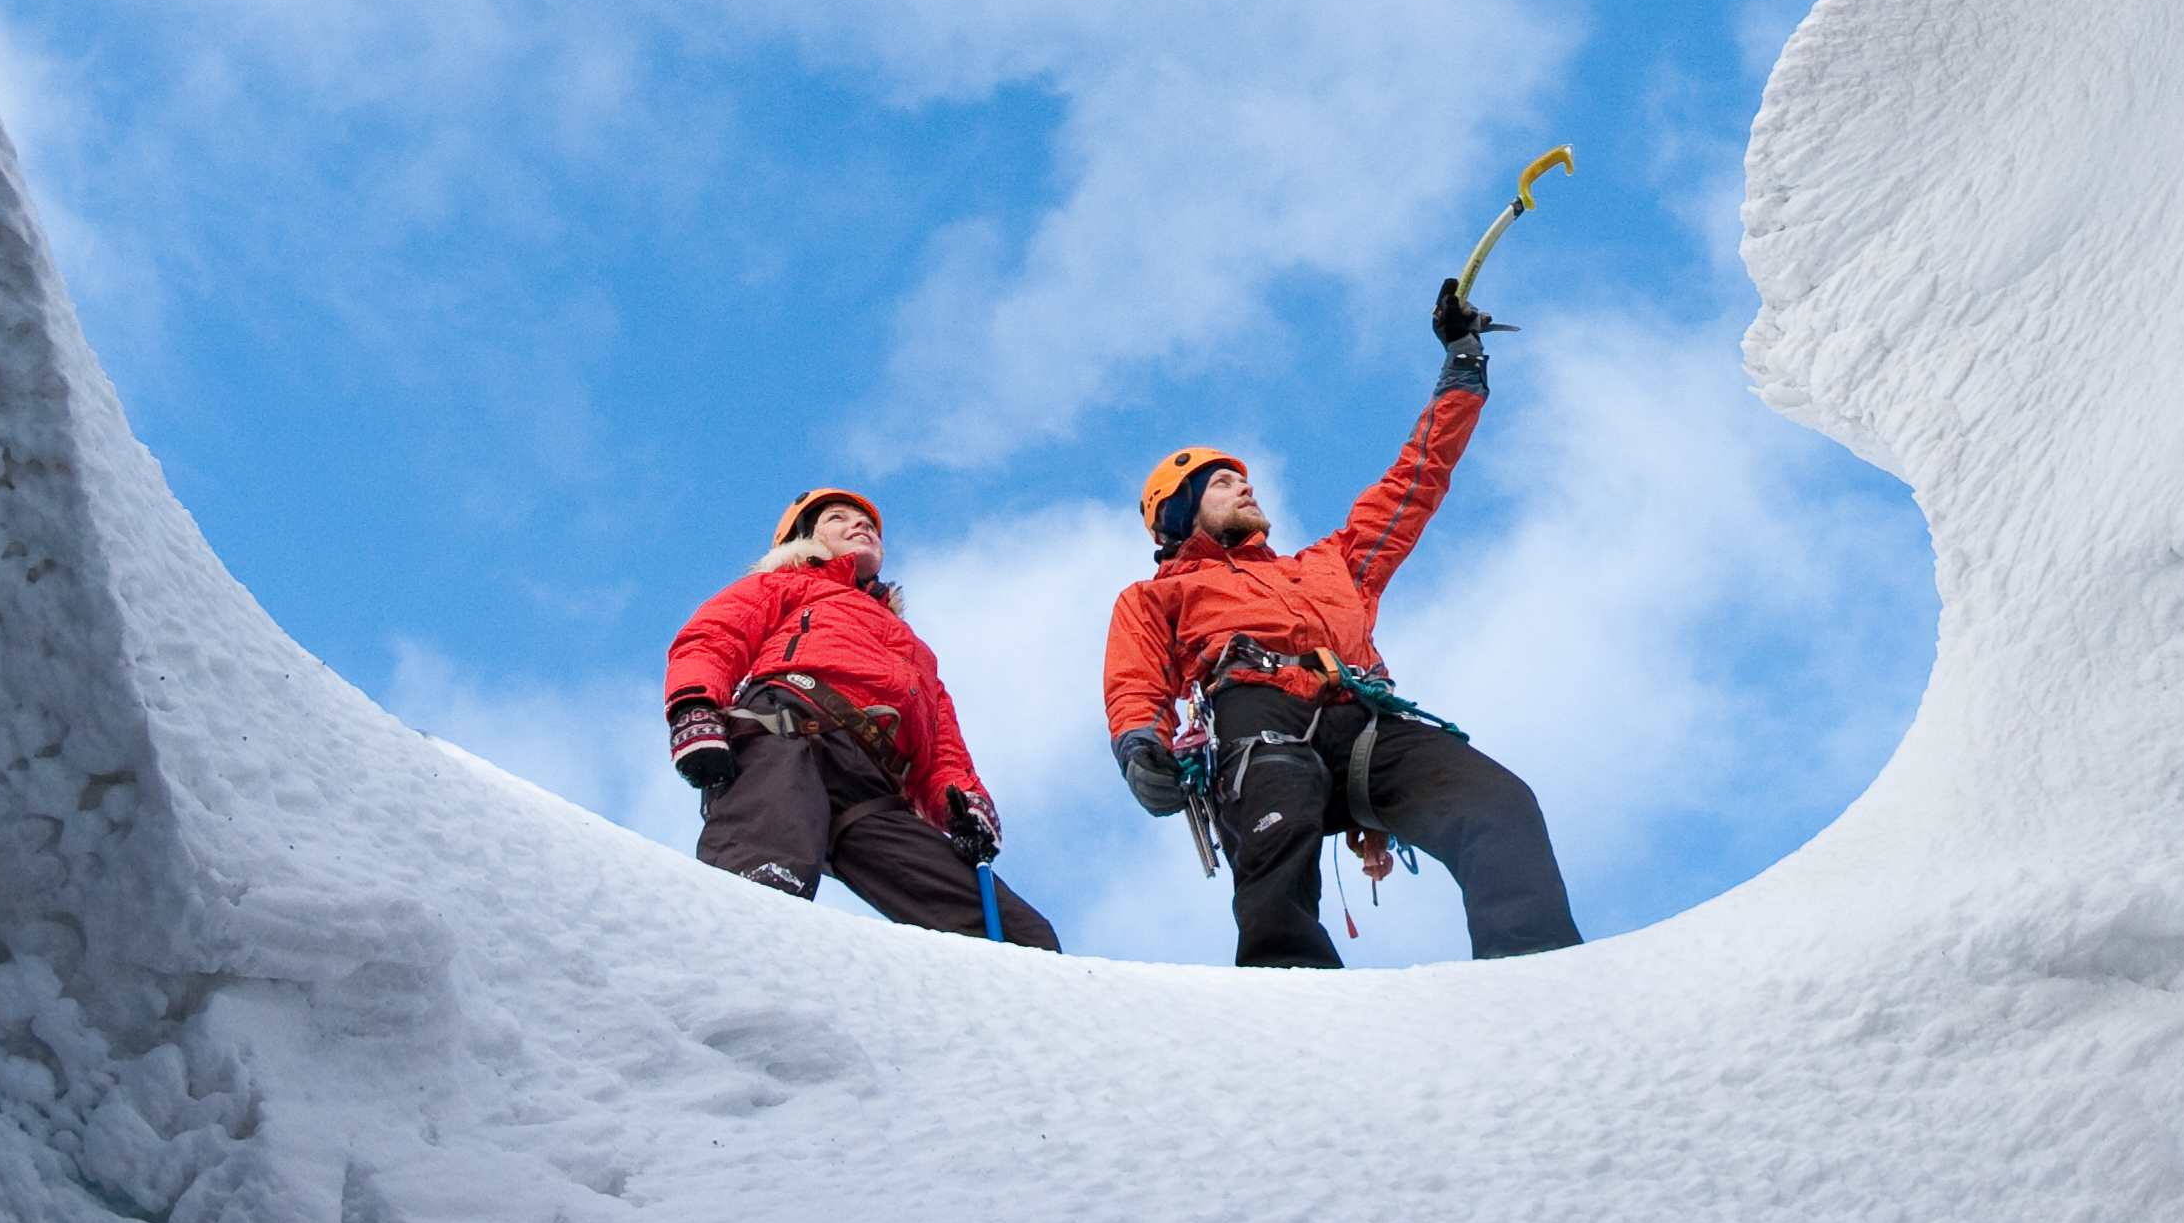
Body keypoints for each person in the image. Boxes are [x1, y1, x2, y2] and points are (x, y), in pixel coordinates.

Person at [1104, 289, 1579, 967]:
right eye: (1219, 484)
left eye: (1243, 479)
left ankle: (1540, 970)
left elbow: (1414, 482)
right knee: (1279, 819)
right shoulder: (1157, 596)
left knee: (1496, 802)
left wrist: (1463, 368)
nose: (1243, 487)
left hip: (1362, 717)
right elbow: (1134, 678)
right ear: (1180, 517)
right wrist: (1138, 744)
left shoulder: (1333, 565)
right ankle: (1292, 996)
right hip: (1254, 717)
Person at [666, 487, 1059, 947]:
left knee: (1021, 936)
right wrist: (695, 709)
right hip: (784, 734)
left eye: (867, 523)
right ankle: (724, 980)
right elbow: (714, 638)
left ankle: (1031, 1007)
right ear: (804, 538)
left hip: (873, 785)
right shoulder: (784, 585)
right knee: (764, 879)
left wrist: (964, 802)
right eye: (838, 518)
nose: (860, 526)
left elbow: (941, 745)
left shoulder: (913, 649)